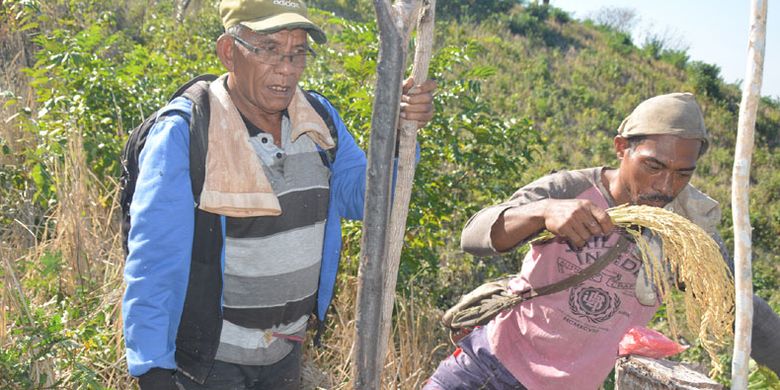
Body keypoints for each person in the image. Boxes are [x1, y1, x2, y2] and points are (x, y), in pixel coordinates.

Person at [121, 0, 436, 388]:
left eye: (297, 53)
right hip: (210, 363)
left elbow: (365, 198)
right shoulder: (187, 131)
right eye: (269, 50)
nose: (286, 69)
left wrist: (400, 135)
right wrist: (152, 369)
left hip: (285, 353)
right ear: (228, 52)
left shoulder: (318, 119)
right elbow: (155, 259)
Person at [424, 92, 780, 389]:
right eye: (653, 166)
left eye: (682, 173)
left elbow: (741, 309)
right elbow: (474, 236)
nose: (666, 187)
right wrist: (543, 211)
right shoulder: (571, 189)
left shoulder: (686, 233)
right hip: (487, 367)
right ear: (622, 147)